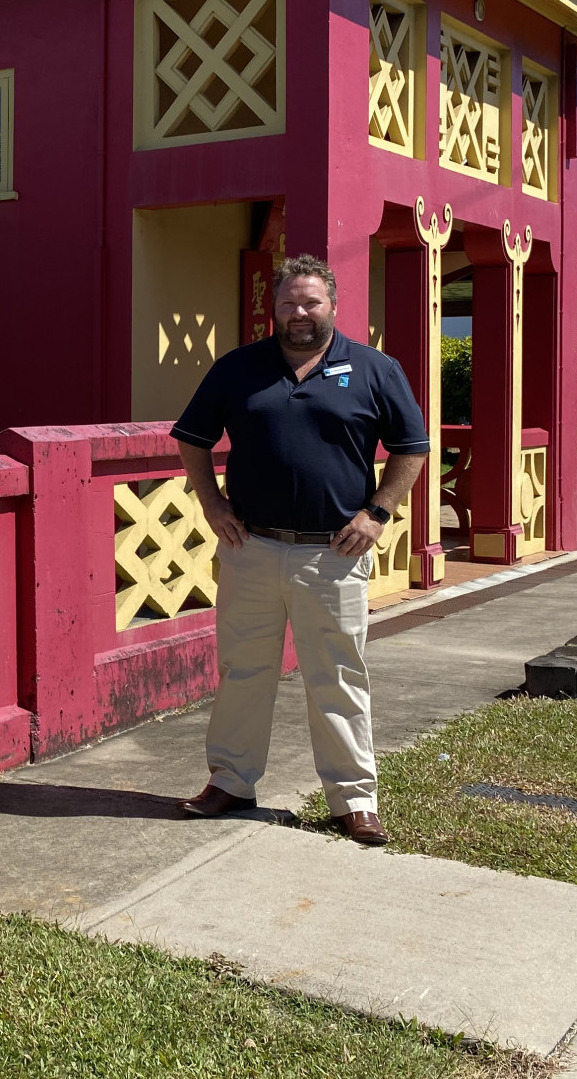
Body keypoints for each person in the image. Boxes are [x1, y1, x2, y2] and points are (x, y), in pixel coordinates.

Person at [169, 255, 429, 845]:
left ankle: (354, 799)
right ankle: (231, 782)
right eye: (288, 302)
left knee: (337, 675)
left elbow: (411, 446)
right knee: (244, 670)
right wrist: (212, 505)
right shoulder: (239, 368)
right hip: (252, 547)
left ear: (332, 305)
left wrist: (379, 512)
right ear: (274, 308)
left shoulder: (373, 368)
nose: (299, 313)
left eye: (310, 302)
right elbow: (192, 439)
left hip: (333, 554)